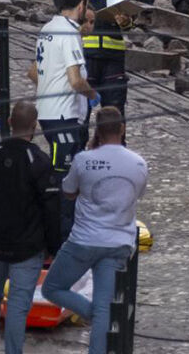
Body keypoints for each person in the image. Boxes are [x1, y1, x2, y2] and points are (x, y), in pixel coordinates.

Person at [42, 107, 148, 354]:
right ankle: (100, 318)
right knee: (103, 308)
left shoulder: (83, 160)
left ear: (97, 131)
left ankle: (96, 315)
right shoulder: (139, 163)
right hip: (118, 243)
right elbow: (137, 194)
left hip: (84, 241)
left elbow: (68, 192)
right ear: (122, 129)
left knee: (52, 288)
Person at [0, 102, 61, 354]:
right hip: (28, 247)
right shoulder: (39, 162)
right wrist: (53, 246)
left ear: (8, 122)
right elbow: (52, 210)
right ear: (35, 126)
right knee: (18, 305)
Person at [61, 0, 133, 120]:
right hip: (83, 56)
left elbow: (128, 21)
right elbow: (66, 5)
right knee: (79, 116)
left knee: (115, 116)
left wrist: (125, 20)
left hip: (113, 58)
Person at [28, 0, 98, 177]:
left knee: (63, 168)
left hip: (46, 111)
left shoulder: (47, 28)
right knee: (62, 174)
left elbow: (33, 72)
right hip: (63, 115)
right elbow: (76, 81)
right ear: (81, 5)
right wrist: (92, 95)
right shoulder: (69, 33)